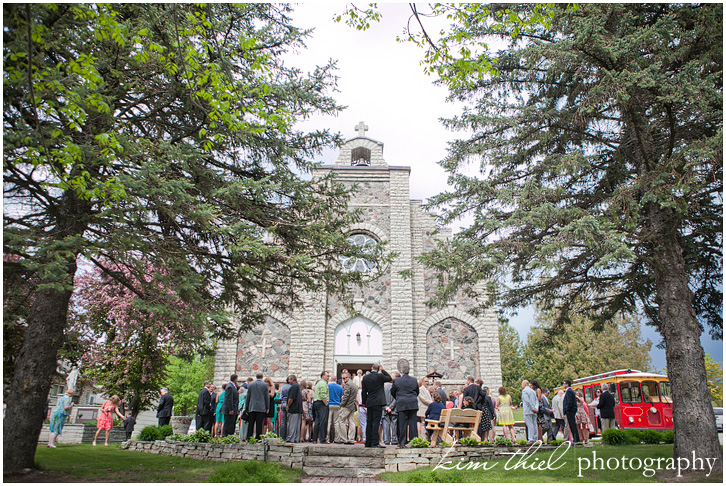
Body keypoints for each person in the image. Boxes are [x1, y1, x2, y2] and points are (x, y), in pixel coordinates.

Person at [361, 363, 392, 448]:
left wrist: (364, 403)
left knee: (369, 422)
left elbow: (364, 392)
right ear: (378, 369)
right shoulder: (380, 376)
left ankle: (368, 442)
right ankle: (375, 442)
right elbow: (389, 378)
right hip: (378, 402)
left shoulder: (365, 378)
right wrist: (383, 370)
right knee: (376, 422)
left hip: (369, 401)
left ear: (371, 368)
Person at [390, 363, 418, 447]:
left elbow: (392, 391)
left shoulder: (397, 380)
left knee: (402, 423)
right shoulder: (414, 380)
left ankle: (402, 441)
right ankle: (414, 441)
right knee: (413, 423)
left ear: (401, 371)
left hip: (402, 403)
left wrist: (398, 398)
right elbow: (417, 391)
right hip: (412, 403)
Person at [244, 372, 268, 440]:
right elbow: (266, 397)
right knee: (259, 423)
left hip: (252, 406)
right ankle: (258, 437)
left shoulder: (251, 385)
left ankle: (249, 436)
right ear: (262, 377)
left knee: (251, 423)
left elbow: (248, 397)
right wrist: (267, 407)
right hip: (261, 406)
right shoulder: (265, 385)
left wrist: (246, 407)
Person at [336, 371, 357, 444]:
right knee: (351, 422)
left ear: (348, 377)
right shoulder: (354, 385)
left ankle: (343, 438)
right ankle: (351, 439)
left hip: (347, 406)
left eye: (344, 378)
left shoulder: (348, 385)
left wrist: (341, 404)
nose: (343, 380)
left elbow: (346, 396)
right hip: (352, 405)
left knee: (341, 420)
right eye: (342, 379)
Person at [312, 371, 330, 444]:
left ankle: (314, 438)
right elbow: (323, 395)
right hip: (321, 403)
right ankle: (323, 439)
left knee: (317, 421)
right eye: (327, 376)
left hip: (316, 402)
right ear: (323, 376)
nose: (328, 377)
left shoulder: (318, 383)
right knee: (323, 421)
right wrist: (326, 404)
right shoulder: (323, 384)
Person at [383, 372, 399, 445]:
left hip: (386, 408)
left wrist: (386, 407)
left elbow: (382, 399)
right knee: (394, 424)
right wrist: (391, 407)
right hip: (394, 408)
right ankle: (394, 439)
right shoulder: (394, 388)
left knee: (387, 424)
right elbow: (396, 399)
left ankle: (387, 439)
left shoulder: (383, 388)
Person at [521, 380, 539, 444]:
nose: (521, 385)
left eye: (522, 384)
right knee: (534, 424)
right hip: (534, 410)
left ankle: (531, 439)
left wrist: (532, 408)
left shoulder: (525, 391)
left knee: (530, 425)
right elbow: (536, 401)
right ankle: (535, 438)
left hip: (528, 410)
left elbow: (527, 401)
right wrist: (536, 408)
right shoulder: (533, 391)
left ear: (525, 384)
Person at [286, 375, 302, 443]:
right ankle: (296, 438)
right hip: (298, 408)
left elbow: (291, 398)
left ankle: (291, 438)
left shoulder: (293, 387)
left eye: (289, 379)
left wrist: (288, 406)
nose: (288, 381)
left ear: (292, 379)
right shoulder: (298, 386)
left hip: (293, 408)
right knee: (297, 425)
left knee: (292, 424)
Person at [562, 379, 580, 443]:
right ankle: (576, 438)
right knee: (572, 424)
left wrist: (567, 409)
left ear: (567, 384)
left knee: (572, 425)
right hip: (571, 410)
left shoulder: (569, 391)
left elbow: (569, 401)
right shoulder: (569, 391)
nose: (563, 385)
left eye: (564, 383)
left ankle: (576, 438)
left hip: (570, 411)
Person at [327, 375, 343, 442]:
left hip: (329, 404)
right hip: (337, 404)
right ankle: (337, 438)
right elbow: (341, 397)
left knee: (329, 421)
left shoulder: (328, 386)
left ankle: (327, 437)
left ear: (330, 380)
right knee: (336, 422)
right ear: (336, 380)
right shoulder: (340, 387)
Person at [279, 376, 292, 440]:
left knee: (283, 421)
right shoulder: (291, 387)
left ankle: (282, 436)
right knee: (289, 421)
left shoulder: (283, 388)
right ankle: (288, 436)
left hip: (283, 403)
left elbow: (280, 397)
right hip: (289, 404)